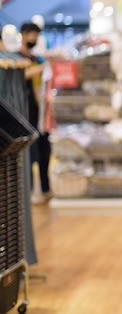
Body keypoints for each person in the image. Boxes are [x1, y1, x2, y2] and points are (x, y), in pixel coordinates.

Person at [19, 22, 52, 202]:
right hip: (27, 112)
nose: (35, 39)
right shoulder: (17, 58)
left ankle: (46, 189)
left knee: (45, 152)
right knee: (30, 154)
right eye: (33, 35)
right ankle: (30, 191)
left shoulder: (35, 58)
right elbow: (22, 75)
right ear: (24, 34)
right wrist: (41, 67)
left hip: (41, 112)